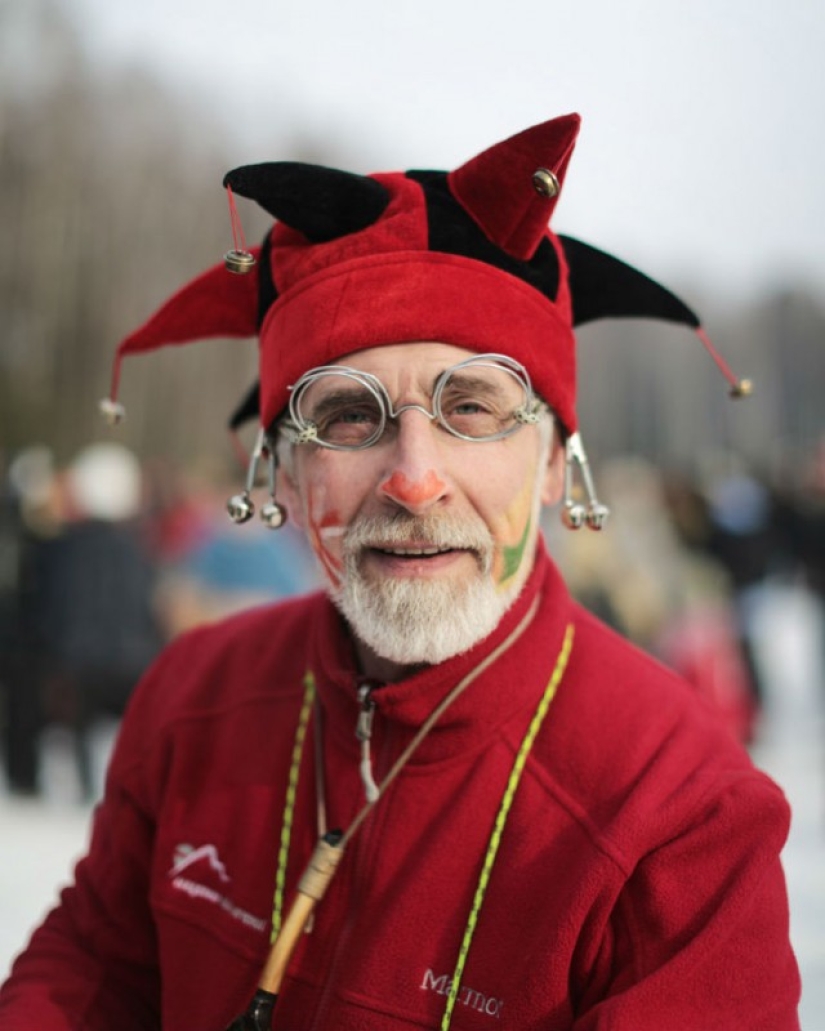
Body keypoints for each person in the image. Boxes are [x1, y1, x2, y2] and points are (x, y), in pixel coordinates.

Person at [0, 113, 800, 1030]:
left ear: (552, 463)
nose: (414, 480)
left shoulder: (680, 811)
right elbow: (94, 965)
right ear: (282, 474)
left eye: (473, 407)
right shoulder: (193, 693)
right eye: (348, 414)